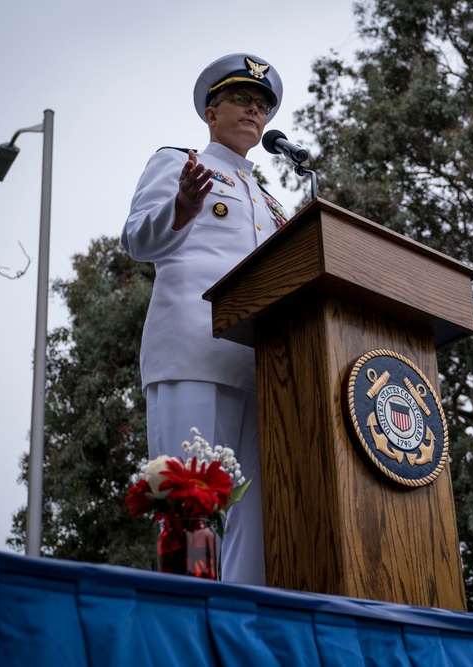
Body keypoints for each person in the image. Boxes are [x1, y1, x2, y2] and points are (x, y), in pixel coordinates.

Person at [121, 53, 288, 585]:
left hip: (262, 366)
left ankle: (240, 635)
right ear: (211, 112)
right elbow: (136, 241)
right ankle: (191, 629)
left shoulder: (270, 201)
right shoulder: (180, 164)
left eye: (263, 105)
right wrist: (181, 210)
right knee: (191, 506)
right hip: (194, 350)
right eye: (243, 99)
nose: (255, 111)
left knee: (258, 524)